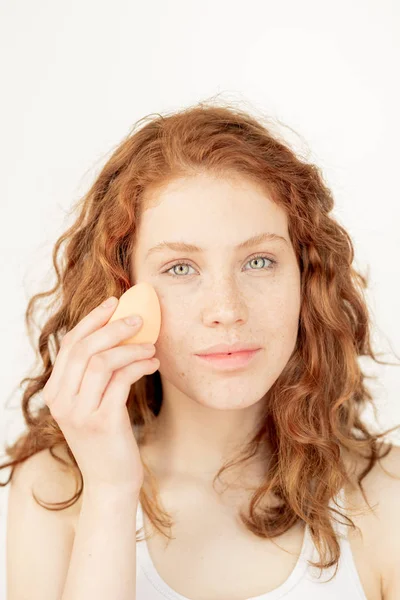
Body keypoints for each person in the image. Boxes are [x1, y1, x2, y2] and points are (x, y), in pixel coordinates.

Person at [1, 101, 400, 600]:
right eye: (180, 268)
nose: (227, 310)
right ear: (122, 291)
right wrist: (109, 492)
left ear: (306, 276)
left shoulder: (388, 495)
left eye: (258, 261)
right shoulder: (54, 489)